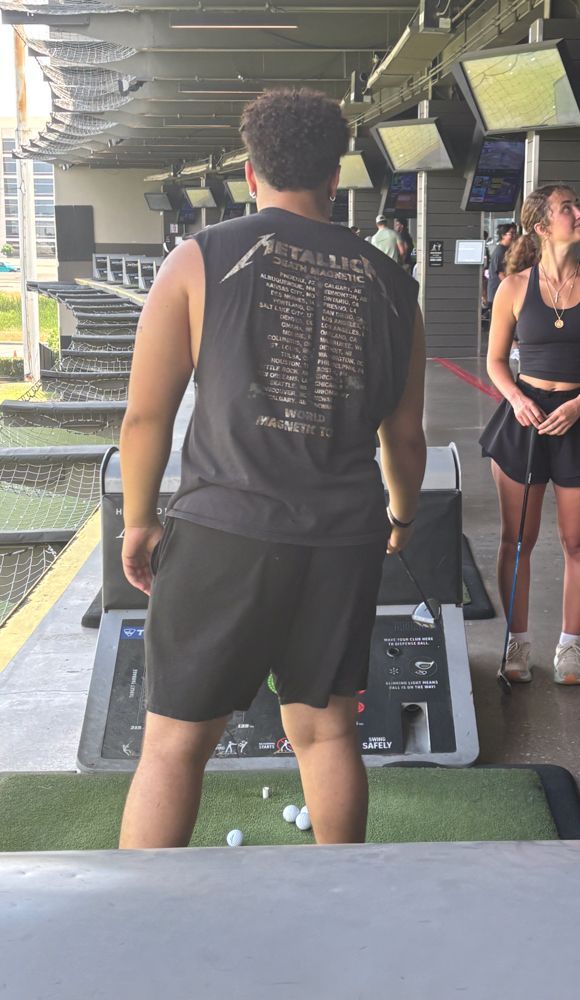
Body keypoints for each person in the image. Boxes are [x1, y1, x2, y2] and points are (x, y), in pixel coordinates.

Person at [117, 88, 426, 849]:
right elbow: (406, 436)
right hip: (344, 535)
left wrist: (137, 520)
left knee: (173, 744)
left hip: (224, 530)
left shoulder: (197, 258)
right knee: (325, 736)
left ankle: (136, 936)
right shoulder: (395, 288)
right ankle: (338, 913)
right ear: (335, 174)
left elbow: (145, 416)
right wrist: (403, 516)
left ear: (251, 174)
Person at [479, 185, 580, 685]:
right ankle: (517, 643)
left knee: (577, 540)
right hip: (524, 418)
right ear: (542, 226)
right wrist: (518, 399)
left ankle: (570, 648)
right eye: (569, 208)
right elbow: (496, 361)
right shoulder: (513, 287)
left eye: (577, 206)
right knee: (517, 539)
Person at [487, 224, 517, 306]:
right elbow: (501, 274)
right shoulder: (500, 252)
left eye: (515, 233)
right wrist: (514, 288)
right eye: (511, 233)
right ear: (503, 235)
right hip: (497, 294)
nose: (514, 236)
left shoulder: (506, 250)